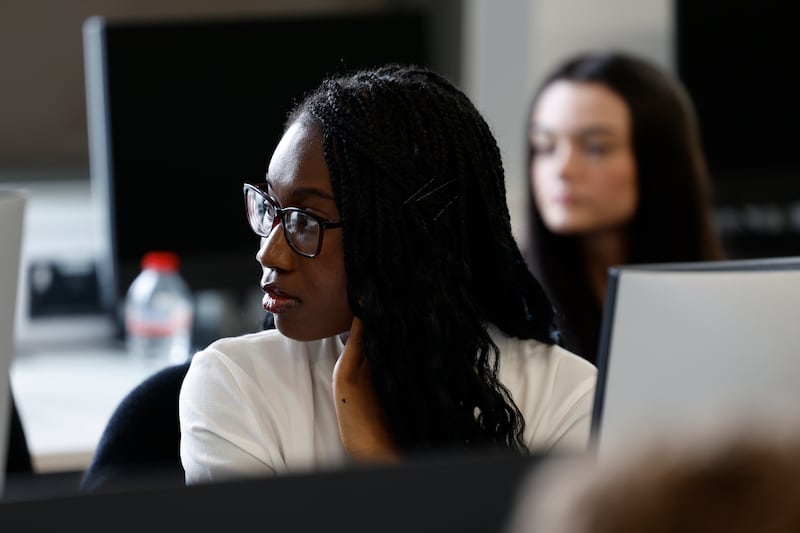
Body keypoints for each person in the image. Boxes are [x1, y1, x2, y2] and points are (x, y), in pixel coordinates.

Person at [179, 64, 597, 483]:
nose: (269, 252)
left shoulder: (568, 395)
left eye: (306, 220)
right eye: (271, 208)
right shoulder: (235, 384)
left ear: (409, 237)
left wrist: (378, 455)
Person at [523, 51, 725, 364]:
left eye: (596, 147)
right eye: (545, 147)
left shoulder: (719, 305)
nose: (562, 169)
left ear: (659, 161)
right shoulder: (502, 303)